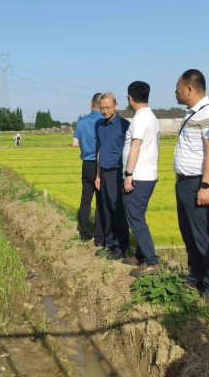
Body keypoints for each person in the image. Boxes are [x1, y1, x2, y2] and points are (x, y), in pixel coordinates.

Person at [174, 69, 209, 307]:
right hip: (186, 183)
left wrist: (205, 186)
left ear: (189, 89)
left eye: (177, 87)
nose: (175, 91)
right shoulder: (193, 113)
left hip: (199, 183)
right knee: (190, 235)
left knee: (204, 237)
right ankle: (195, 278)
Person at [121, 81, 162, 277]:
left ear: (130, 98)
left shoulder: (139, 118)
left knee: (135, 218)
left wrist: (128, 174)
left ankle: (152, 262)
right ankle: (140, 255)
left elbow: (135, 147)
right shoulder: (152, 117)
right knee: (139, 216)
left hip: (138, 176)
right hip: (148, 174)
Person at [94, 92, 130, 261]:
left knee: (118, 210)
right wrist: (98, 175)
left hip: (117, 173)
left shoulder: (125, 125)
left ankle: (120, 246)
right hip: (104, 172)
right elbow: (99, 151)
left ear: (116, 105)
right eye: (102, 108)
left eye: (108, 107)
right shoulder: (99, 125)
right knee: (106, 209)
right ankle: (108, 244)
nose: (105, 111)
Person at [72, 93, 105, 244]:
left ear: (91, 104)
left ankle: (84, 233)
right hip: (101, 165)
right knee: (100, 201)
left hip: (87, 164)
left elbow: (74, 143)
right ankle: (99, 235)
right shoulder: (104, 121)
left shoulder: (82, 122)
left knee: (86, 200)